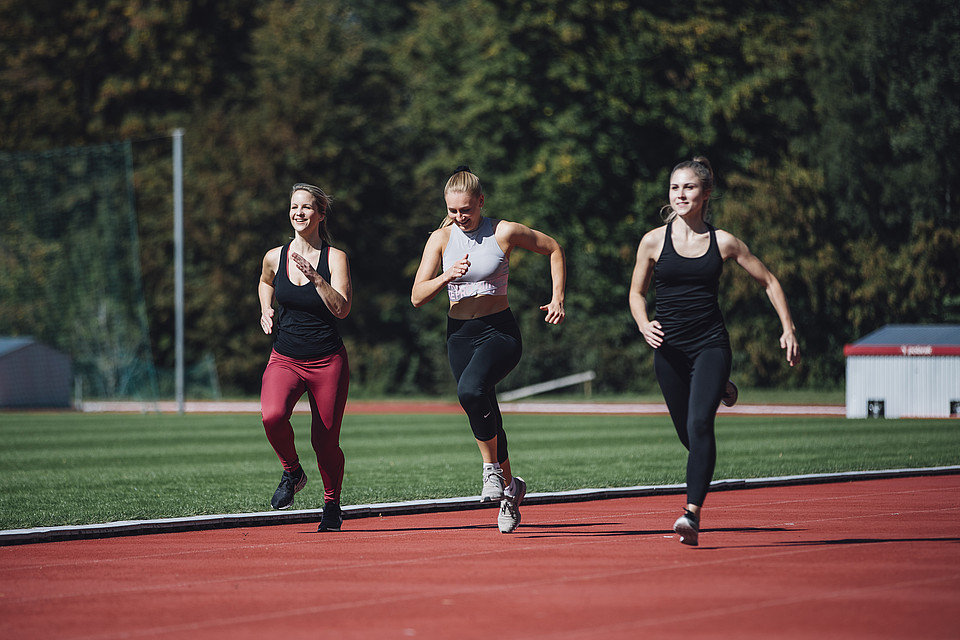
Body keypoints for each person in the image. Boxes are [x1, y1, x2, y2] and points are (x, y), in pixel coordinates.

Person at [628, 157, 799, 546]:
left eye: (688, 187)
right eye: (674, 187)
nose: (680, 194)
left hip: (710, 344)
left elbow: (769, 281)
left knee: (701, 426)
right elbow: (636, 293)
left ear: (705, 194)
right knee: (690, 436)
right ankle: (723, 388)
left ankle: (692, 513)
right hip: (668, 349)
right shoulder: (653, 240)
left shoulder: (724, 242)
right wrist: (643, 323)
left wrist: (788, 328)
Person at [411, 166, 566, 533]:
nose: (460, 217)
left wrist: (557, 297)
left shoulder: (503, 231)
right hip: (460, 335)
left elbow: (554, 249)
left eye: (466, 209)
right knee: (483, 406)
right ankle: (511, 492)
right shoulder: (440, 239)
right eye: (453, 210)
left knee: (470, 391)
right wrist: (447, 275)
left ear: (481, 202)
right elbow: (417, 296)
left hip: (500, 333)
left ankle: (490, 471)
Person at [258, 183, 352, 532]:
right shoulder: (274, 256)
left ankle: (332, 504)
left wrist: (316, 279)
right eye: (294, 206)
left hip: (328, 361)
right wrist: (265, 308)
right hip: (285, 356)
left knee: (325, 441)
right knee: (272, 416)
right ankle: (293, 472)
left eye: (307, 207)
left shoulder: (334, 258)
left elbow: (342, 309)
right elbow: (266, 281)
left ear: (321, 214)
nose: (299, 212)